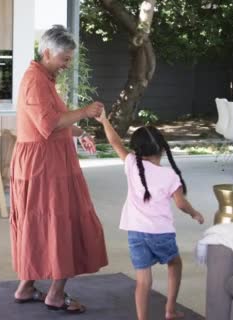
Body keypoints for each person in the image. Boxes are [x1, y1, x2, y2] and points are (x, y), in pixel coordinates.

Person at [10, 25, 109, 314]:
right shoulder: (36, 82)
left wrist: (80, 132)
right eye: (64, 59)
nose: (67, 65)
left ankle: (26, 287)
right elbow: (48, 125)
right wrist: (86, 111)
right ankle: (54, 294)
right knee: (61, 223)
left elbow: (57, 120)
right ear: (47, 52)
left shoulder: (43, 78)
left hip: (47, 161)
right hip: (45, 166)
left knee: (40, 223)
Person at [95, 109, 205, 320]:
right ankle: (170, 310)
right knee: (175, 263)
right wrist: (194, 213)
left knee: (143, 281)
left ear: (137, 150)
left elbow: (115, 143)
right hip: (161, 233)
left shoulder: (131, 164)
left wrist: (104, 121)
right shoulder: (169, 175)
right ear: (162, 148)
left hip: (135, 232)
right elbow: (181, 203)